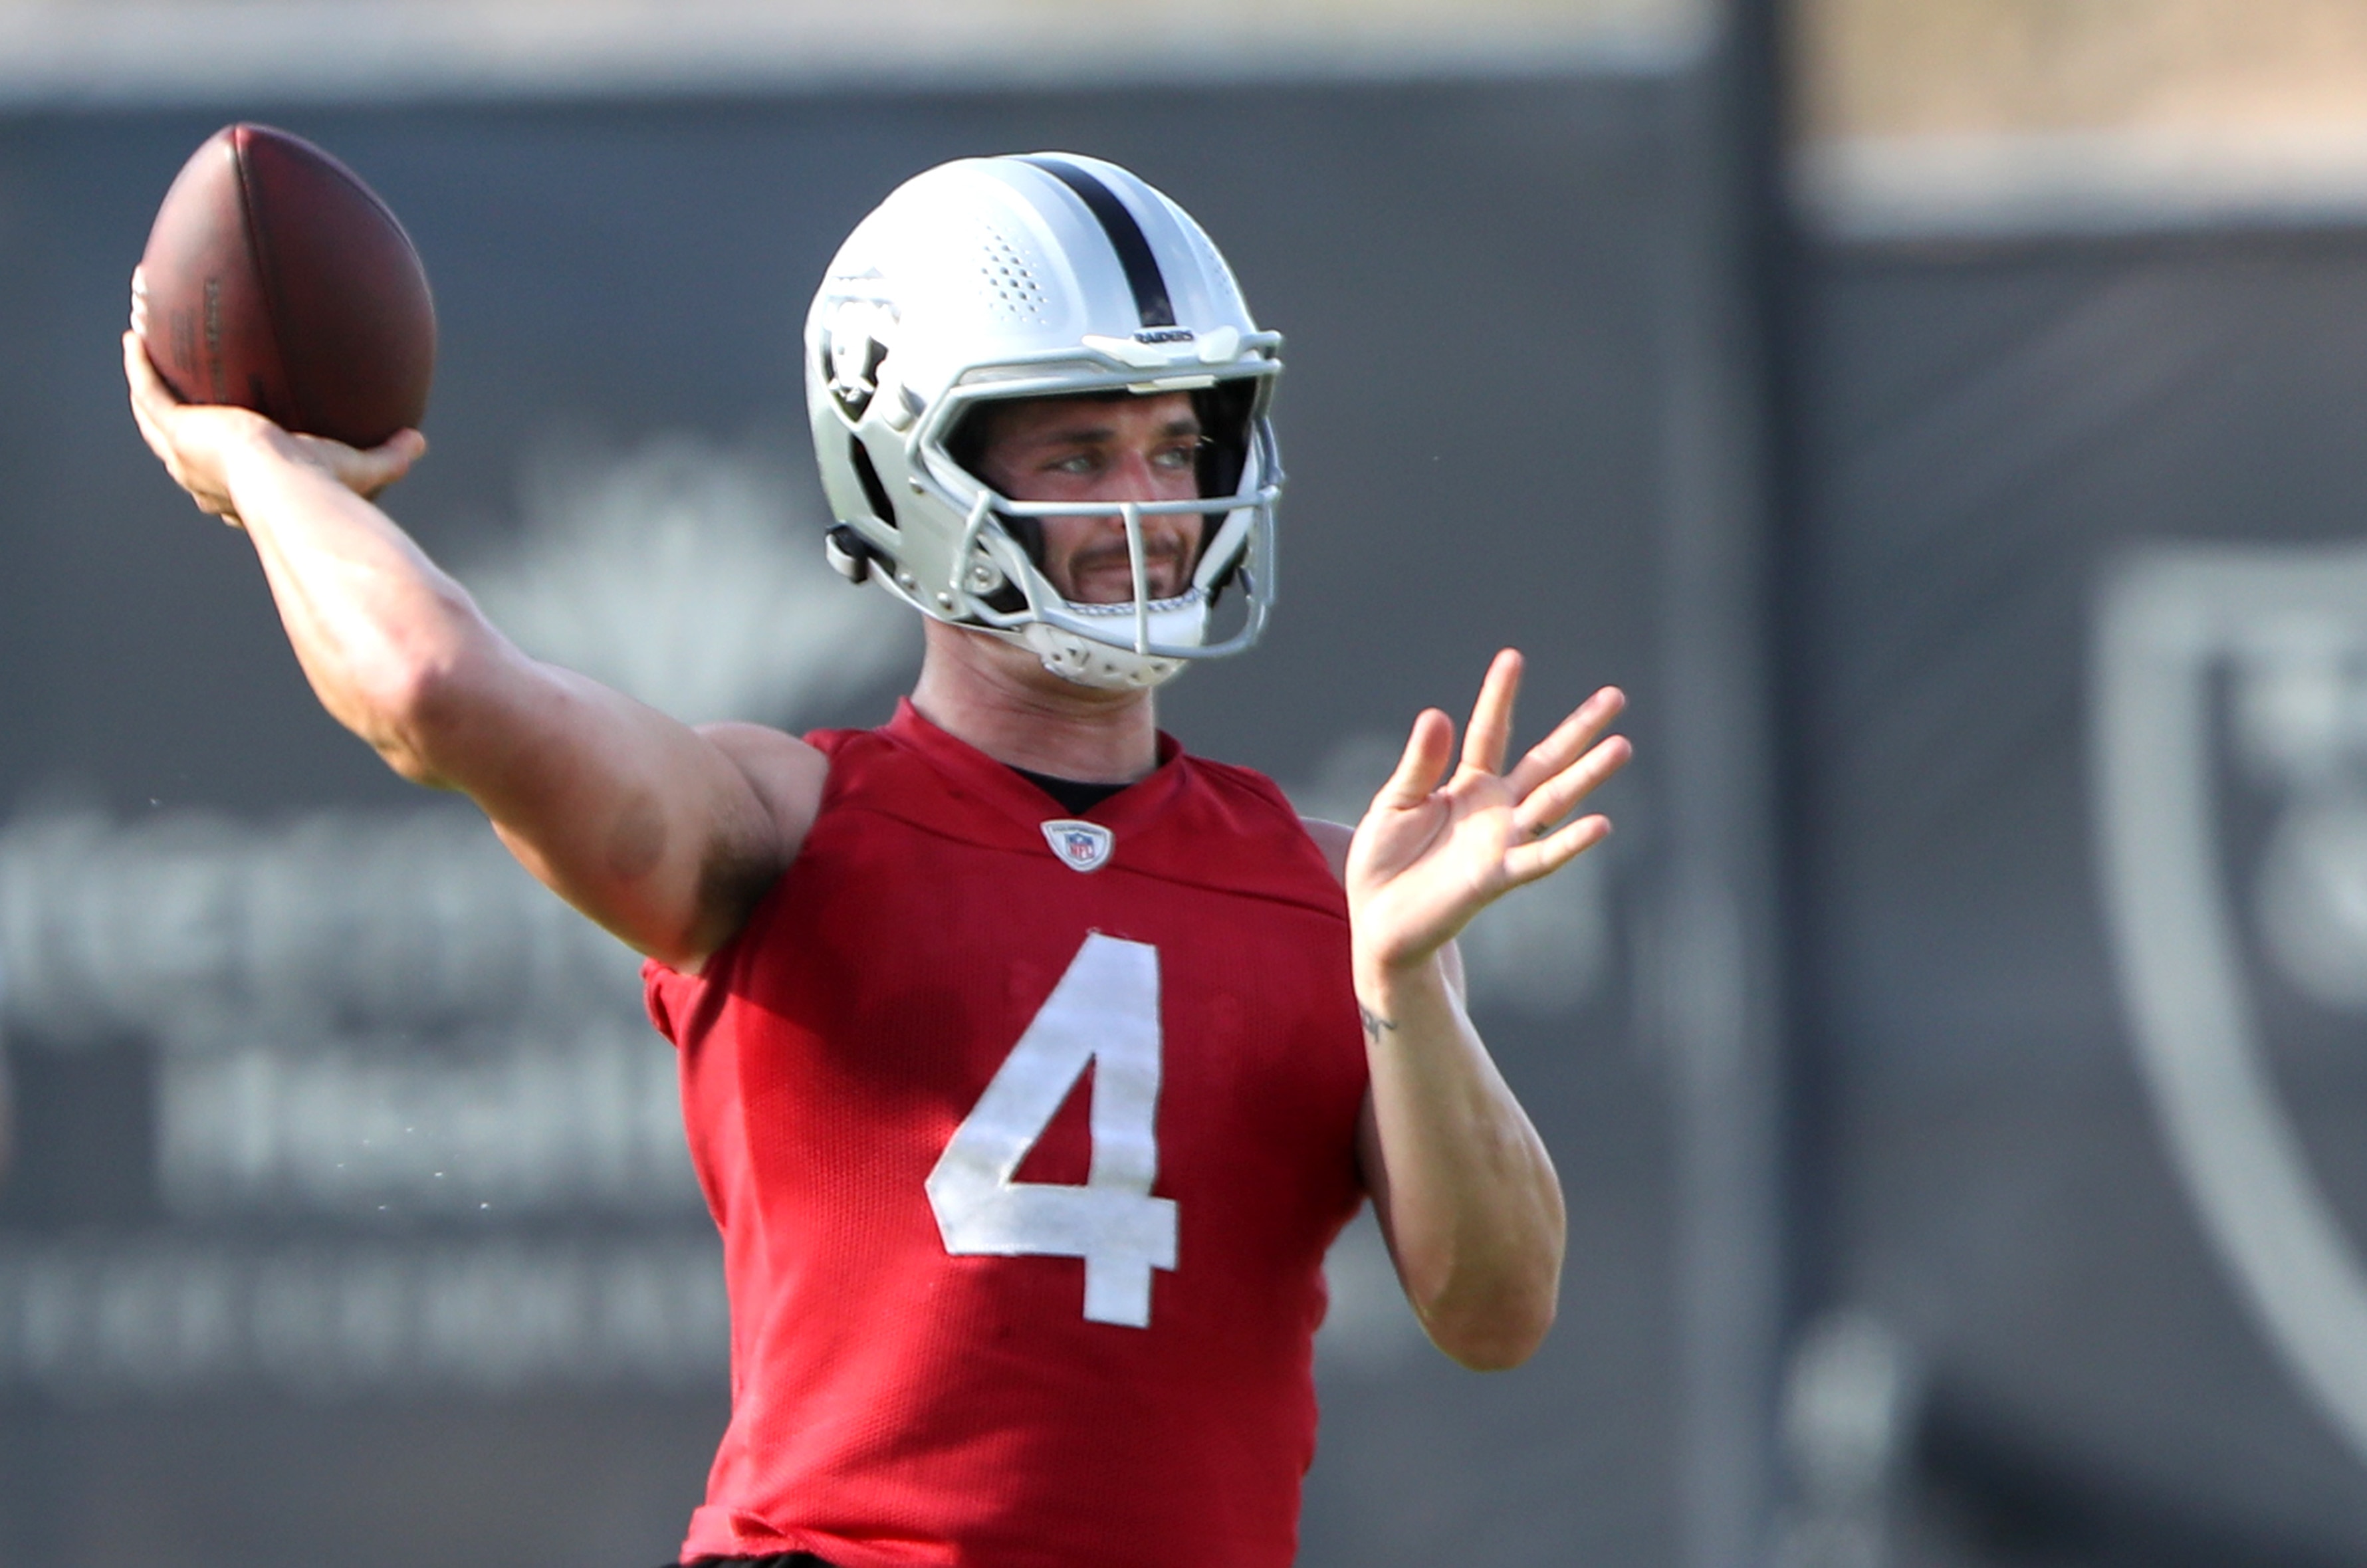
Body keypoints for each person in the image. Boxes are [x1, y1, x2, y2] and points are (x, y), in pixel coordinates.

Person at [124, 151, 1629, 1568]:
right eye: (1081, 449)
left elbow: (1495, 1309)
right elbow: (429, 688)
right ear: (909, 466)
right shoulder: (782, 824)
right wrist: (264, 469)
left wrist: (1401, 976)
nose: (1153, 508)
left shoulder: (1330, 885)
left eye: (1179, 446)